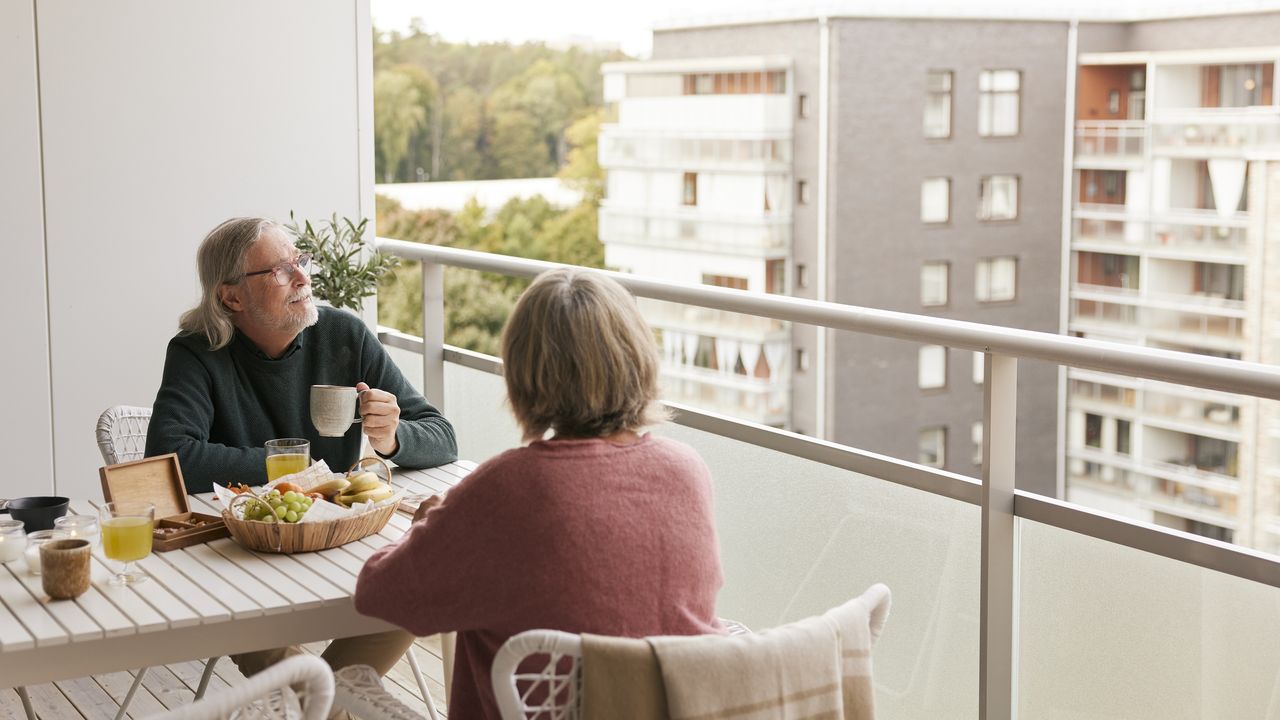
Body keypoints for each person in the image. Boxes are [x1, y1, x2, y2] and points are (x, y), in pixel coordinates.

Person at [354, 268, 725, 719]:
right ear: (639, 359)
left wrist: (430, 527)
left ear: (522, 373)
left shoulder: (506, 487)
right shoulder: (686, 470)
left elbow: (380, 595)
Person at [145, 216, 457, 679]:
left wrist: (392, 437)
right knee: (254, 634)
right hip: (242, 556)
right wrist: (301, 471)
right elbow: (168, 459)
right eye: (280, 270)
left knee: (421, 588)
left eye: (300, 261)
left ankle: (321, 706)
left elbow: (442, 435)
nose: (303, 277)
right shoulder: (198, 351)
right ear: (231, 296)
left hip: (341, 540)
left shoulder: (343, 334)